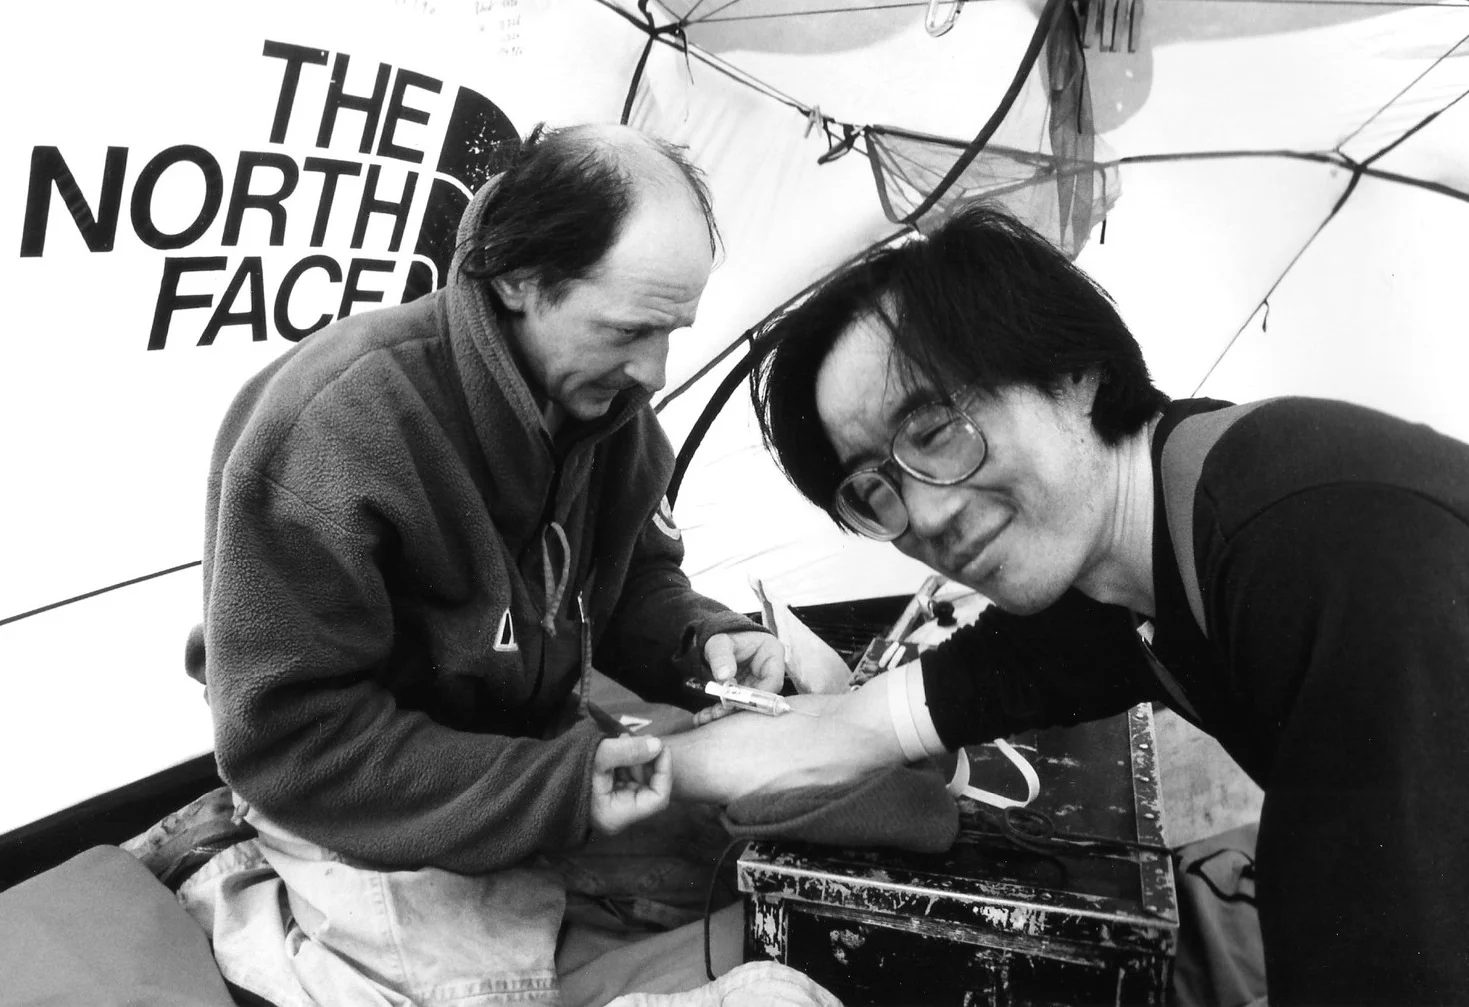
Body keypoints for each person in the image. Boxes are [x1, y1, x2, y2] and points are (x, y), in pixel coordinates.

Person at [663, 203, 1469, 1005]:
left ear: (1074, 368)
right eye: (875, 488)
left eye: (936, 428)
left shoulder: (1315, 543)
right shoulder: (1115, 583)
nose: (929, 516)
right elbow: (856, 726)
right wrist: (607, 775)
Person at [175, 122, 807, 1007]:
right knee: (494, 989)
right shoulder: (336, 428)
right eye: (629, 328)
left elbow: (629, 584)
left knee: (750, 874)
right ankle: (252, 883)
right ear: (518, 278)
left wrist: (701, 640)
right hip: (360, 810)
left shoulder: (611, 415)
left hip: (528, 756)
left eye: (672, 331)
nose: (654, 370)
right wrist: (564, 785)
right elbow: (295, 742)